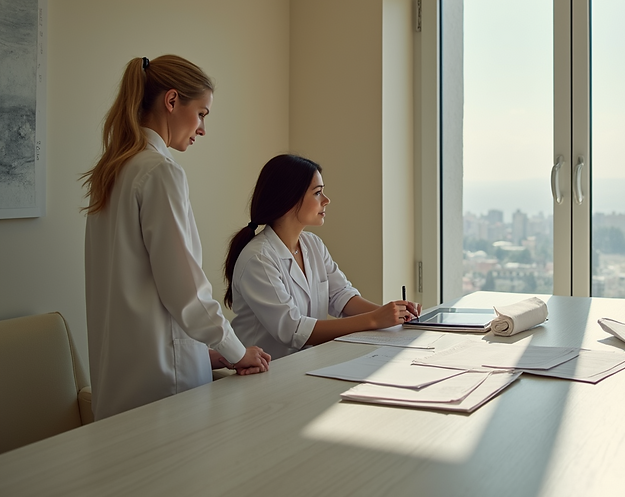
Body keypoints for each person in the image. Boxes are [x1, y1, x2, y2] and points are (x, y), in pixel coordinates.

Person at [83, 55, 270, 420]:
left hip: (119, 381)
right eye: (201, 113)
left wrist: (204, 353)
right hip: (164, 387)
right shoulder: (160, 172)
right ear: (172, 101)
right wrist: (236, 350)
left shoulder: (111, 172)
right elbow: (185, 290)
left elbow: (128, 289)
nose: (202, 128)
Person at [225, 154, 420, 360]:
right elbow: (292, 330)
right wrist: (374, 320)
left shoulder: (312, 244)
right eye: (318, 193)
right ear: (289, 198)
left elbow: (341, 296)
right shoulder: (258, 258)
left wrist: (395, 314)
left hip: (303, 365)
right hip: (265, 374)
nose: (326, 200)